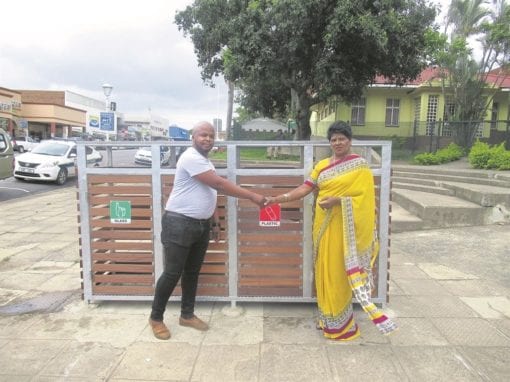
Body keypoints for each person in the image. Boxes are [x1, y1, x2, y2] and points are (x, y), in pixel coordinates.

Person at [265, 121, 397, 341]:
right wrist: (278, 199)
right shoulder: (322, 165)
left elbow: (365, 200)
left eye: (341, 139)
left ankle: (342, 324)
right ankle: (327, 317)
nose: (337, 143)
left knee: (338, 272)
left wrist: (339, 201)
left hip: (346, 230)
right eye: (333, 139)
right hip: (324, 226)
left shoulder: (360, 165)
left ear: (349, 140)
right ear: (329, 142)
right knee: (324, 270)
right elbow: (305, 188)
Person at [149, 121, 267, 340]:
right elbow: (219, 185)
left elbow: (209, 191)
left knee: (192, 272)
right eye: (203, 135)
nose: (208, 139)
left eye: (211, 136)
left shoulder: (205, 161)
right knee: (172, 273)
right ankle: (156, 318)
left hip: (200, 225)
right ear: (193, 137)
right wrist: (252, 196)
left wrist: (215, 221)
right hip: (179, 223)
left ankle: (187, 315)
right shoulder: (190, 157)